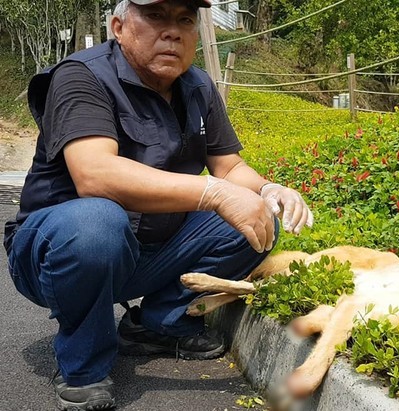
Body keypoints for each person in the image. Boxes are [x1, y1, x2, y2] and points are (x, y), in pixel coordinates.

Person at [2, 0, 313, 409]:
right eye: (156, 16)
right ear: (118, 26)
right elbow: (95, 174)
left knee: (257, 217)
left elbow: (228, 166)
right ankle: (84, 365)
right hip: (58, 253)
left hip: (147, 252)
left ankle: (157, 325)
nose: (173, 32)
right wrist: (214, 194)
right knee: (97, 222)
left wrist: (270, 190)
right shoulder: (81, 77)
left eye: (185, 20)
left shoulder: (198, 87)